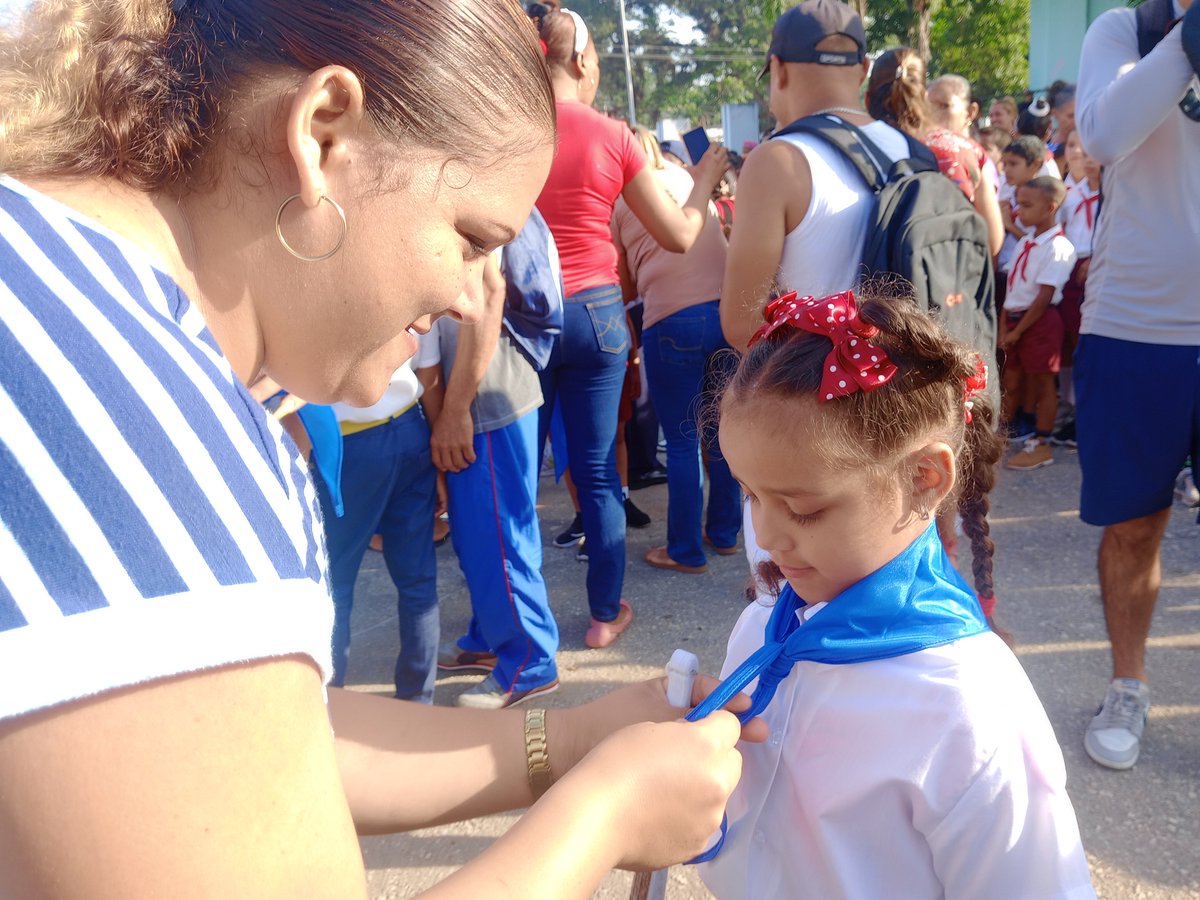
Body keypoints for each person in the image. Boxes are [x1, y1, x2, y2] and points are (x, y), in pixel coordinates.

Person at [0, 1, 760, 895]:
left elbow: (245, 745)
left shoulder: (59, 295)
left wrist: (578, 740)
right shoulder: (135, 419)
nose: (475, 296)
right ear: (324, 132)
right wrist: (601, 818)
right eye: (472, 240)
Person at [696, 289, 1094, 899]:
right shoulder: (761, 630)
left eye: (803, 509)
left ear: (923, 479)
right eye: (751, 496)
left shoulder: (969, 711)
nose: (767, 537)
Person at [529, 6, 728, 648]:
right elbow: (679, 234)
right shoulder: (612, 134)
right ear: (583, 61)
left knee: (519, 476)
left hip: (524, 319)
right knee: (596, 470)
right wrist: (700, 184)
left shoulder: (509, 132)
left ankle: (513, 625)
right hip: (597, 313)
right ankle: (603, 615)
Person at [1074, 0, 1200, 770]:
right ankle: (1128, 681)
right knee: (1134, 526)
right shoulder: (1128, 28)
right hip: (1136, 325)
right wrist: (1189, 35)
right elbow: (1105, 134)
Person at [419, 247, 562, 710]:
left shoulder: (469, 187)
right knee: (485, 537)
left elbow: (488, 291)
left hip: (483, 397)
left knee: (499, 540)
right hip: (484, 390)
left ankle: (530, 665)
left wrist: (454, 411)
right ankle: (490, 636)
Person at [612, 127, 741, 574]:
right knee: (721, 433)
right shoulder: (690, 181)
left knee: (682, 442)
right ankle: (724, 534)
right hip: (723, 315)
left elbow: (626, 283)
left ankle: (685, 551)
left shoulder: (623, 202)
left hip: (670, 320)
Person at [317, 357, 441, 703]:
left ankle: (329, 706)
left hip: (350, 444)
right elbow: (428, 367)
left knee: (334, 588)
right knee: (418, 582)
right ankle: (418, 702)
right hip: (409, 425)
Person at [865, 49, 1004, 256]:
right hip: (945, 281)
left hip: (865, 283)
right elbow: (992, 243)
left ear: (867, 99)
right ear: (924, 96)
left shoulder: (850, 146)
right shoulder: (964, 151)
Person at [1000, 177, 1076, 471]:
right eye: (1018, 203)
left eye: (1027, 205)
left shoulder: (1058, 247)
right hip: (1016, 318)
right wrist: (1004, 327)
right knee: (1012, 379)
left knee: (1043, 382)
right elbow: (1012, 288)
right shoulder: (1026, 242)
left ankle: (1041, 443)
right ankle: (1004, 435)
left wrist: (1019, 330)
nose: (1019, 211)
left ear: (1050, 207)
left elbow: (1044, 296)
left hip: (1040, 321)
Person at [1052, 128, 1103, 449]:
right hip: (1070, 269)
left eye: (1085, 147)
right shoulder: (1069, 193)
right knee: (1070, 340)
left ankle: (1092, 408)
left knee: (1092, 339)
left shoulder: (1115, 191)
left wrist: (1096, 257)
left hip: (1099, 267)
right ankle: (1073, 407)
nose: (1078, 153)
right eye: (1071, 146)